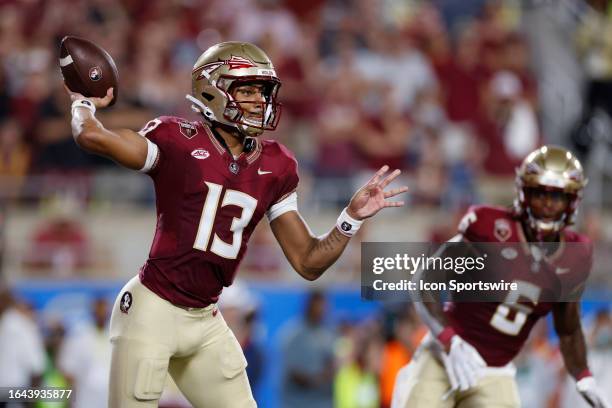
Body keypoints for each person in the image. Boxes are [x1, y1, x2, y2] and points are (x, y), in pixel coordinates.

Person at [64, 41, 407, 408]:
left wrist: (349, 219)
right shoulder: (176, 140)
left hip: (206, 317)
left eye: (262, 91)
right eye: (246, 90)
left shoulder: (277, 166)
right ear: (212, 90)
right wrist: (83, 103)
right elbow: (91, 135)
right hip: (153, 310)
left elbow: (308, 262)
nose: (259, 101)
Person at [391, 145, 609, 408]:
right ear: (524, 192)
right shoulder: (490, 227)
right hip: (445, 356)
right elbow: (425, 279)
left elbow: (568, 326)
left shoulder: (575, 254)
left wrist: (583, 376)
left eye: (558, 196)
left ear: (572, 201)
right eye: (540, 192)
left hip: (496, 371)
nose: (548, 204)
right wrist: (450, 339)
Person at [280, 290, 335, 408]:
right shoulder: (293, 334)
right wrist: (316, 380)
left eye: (323, 305)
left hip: (323, 403)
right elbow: (293, 371)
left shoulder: (329, 334)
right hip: (297, 403)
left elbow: (333, 364)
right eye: (317, 305)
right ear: (309, 306)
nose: (321, 309)